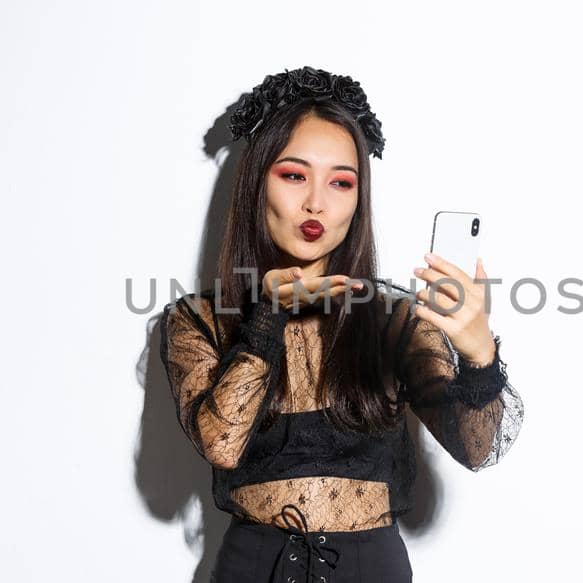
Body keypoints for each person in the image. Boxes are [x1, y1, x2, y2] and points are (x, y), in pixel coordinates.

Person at [159, 66, 525, 583]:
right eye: (293, 175)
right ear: (256, 184)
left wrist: (480, 355)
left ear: (358, 199)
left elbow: (478, 450)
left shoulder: (392, 318)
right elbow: (221, 443)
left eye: (341, 182)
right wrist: (267, 318)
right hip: (251, 567)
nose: (317, 202)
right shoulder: (198, 321)